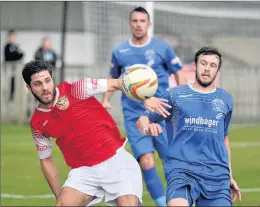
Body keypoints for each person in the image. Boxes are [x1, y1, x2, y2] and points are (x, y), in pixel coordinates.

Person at [22, 60, 143, 206]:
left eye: (47, 81)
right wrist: (59, 197)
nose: (45, 87)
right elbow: (46, 160)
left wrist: (146, 99)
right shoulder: (37, 123)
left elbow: (117, 83)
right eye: (38, 84)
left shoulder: (76, 89)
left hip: (116, 161)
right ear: (29, 88)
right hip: (84, 171)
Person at [102, 6, 186, 206]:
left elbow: (179, 71)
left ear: (148, 24)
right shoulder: (120, 50)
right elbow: (113, 77)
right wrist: (105, 100)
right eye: (135, 21)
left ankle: (183, 198)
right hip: (133, 114)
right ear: (130, 24)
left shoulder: (162, 48)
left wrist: (183, 98)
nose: (138, 25)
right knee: (146, 161)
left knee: (171, 162)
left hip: (163, 112)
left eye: (142, 21)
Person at [137, 46, 241, 206]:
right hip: (181, 172)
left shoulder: (226, 99)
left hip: (217, 177)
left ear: (218, 71)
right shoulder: (175, 95)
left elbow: (224, 139)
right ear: (195, 66)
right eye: (203, 63)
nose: (207, 69)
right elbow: (142, 119)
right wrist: (147, 127)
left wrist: (229, 175)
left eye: (213, 65)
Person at [4, 29, 24, 101]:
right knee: (8, 84)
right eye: (11, 36)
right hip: (9, 69)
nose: (12, 37)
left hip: (15, 70)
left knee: (14, 84)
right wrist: (16, 55)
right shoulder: (7, 46)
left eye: (13, 36)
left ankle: (13, 97)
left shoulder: (16, 46)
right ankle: (8, 98)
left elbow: (21, 55)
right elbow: (9, 56)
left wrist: (16, 55)